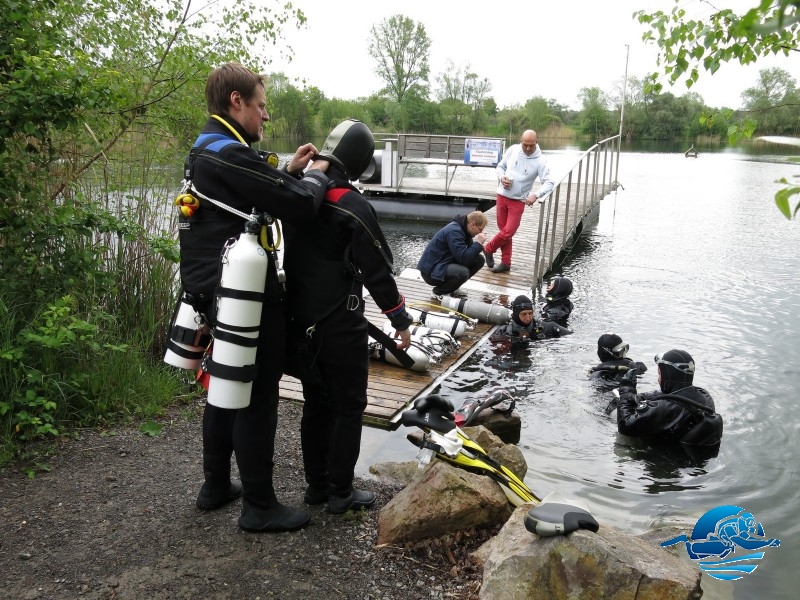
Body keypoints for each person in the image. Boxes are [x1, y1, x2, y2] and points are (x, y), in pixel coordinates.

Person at [177, 62, 332, 533]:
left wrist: (286, 171)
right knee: (256, 397)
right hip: (243, 295)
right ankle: (260, 507)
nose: (266, 117)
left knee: (224, 390)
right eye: (261, 106)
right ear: (236, 102)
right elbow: (300, 206)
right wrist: (318, 176)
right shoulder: (228, 153)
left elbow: (245, 199)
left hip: (210, 291)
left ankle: (216, 486)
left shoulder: (208, 148)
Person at [282, 119, 413, 515]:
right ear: (358, 164)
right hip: (340, 324)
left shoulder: (298, 195)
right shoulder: (352, 206)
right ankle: (341, 492)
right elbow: (377, 271)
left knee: (316, 402)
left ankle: (316, 487)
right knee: (349, 405)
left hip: (300, 321)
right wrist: (401, 320)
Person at [614, 349, 723, 451]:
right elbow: (660, 395)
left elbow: (625, 426)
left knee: (621, 440)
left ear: (668, 376)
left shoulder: (666, 408)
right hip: (690, 456)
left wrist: (626, 391)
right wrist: (634, 396)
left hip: (666, 463)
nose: (658, 379)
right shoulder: (703, 396)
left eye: (660, 374)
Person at [483, 130, 554, 273]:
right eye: (525, 145)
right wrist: (502, 177)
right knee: (504, 232)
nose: (528, 149)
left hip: (518, 201)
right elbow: (500, 166)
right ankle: (506, 263)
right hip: (502, 196)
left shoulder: (540, 161)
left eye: (531, 145)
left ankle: (488, 248)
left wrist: (536, 195)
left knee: (508, 232)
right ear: (520, 141)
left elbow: (550, 182)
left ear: (537, 142)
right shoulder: (513, 150)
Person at [416, 211, 489, 298]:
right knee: (463, 273)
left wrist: (479, 247)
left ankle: (452, 287)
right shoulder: (454, 231)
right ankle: (438, 292)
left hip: (442, 264)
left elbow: (467, 255)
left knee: (479, 260)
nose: (480, 232)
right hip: (431, 272)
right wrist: (478, 244)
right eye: (480, 229)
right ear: (473, 224)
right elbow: (463, 258)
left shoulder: (464, 230)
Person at [490, 295, 572, 348]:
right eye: (524, 314)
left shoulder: (546, 327)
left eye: (530, 313)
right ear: (515, 314)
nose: (528, 318)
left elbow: (571, 336)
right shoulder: (504, 331)